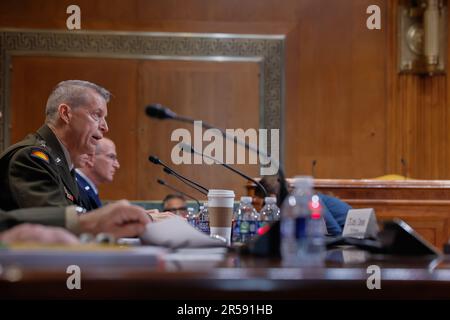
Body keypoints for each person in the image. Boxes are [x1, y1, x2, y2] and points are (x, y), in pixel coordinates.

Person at [0, 80, 109, 211]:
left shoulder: (63, 163)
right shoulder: (31, 159)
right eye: (97, 115)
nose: (105, 127)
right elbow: (56, 221)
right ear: (65, 113)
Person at [253, 174, 351, 236]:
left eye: (264, 202)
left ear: (272, 196)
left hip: (351, 228)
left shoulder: (306, 199)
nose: (264, 206)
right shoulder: (291, 203)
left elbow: (335, 230)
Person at [0, 200, 151, 238]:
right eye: (96, 117)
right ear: (66, 117)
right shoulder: (31, 156)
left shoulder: (67, 167)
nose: (104, 128)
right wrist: (83, 222)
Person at [75, 137, 120, 209]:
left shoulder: (86, 187)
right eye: (111, 157)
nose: (117, 165)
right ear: (90, 158)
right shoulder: (77, 189)